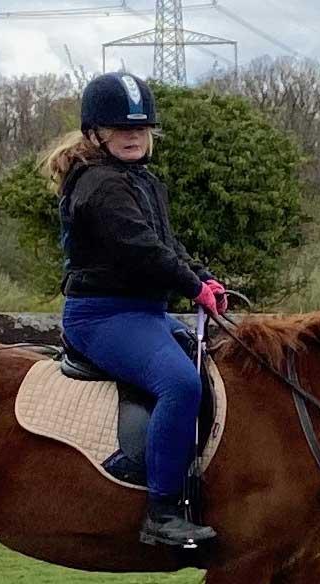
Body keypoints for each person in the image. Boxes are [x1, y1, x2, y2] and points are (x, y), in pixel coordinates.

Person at [40, 71, 227, 547]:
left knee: (213, 367)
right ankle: (161, 513)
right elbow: (140, 249)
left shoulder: (142, 182)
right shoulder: (101, 185)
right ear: (95, 134)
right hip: (103, 317)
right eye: (122, 129)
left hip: (143, 313)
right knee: (180, 384)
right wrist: (190, 286)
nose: (133, 137)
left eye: (140, 129)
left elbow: (167, 244)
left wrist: (202, 277)